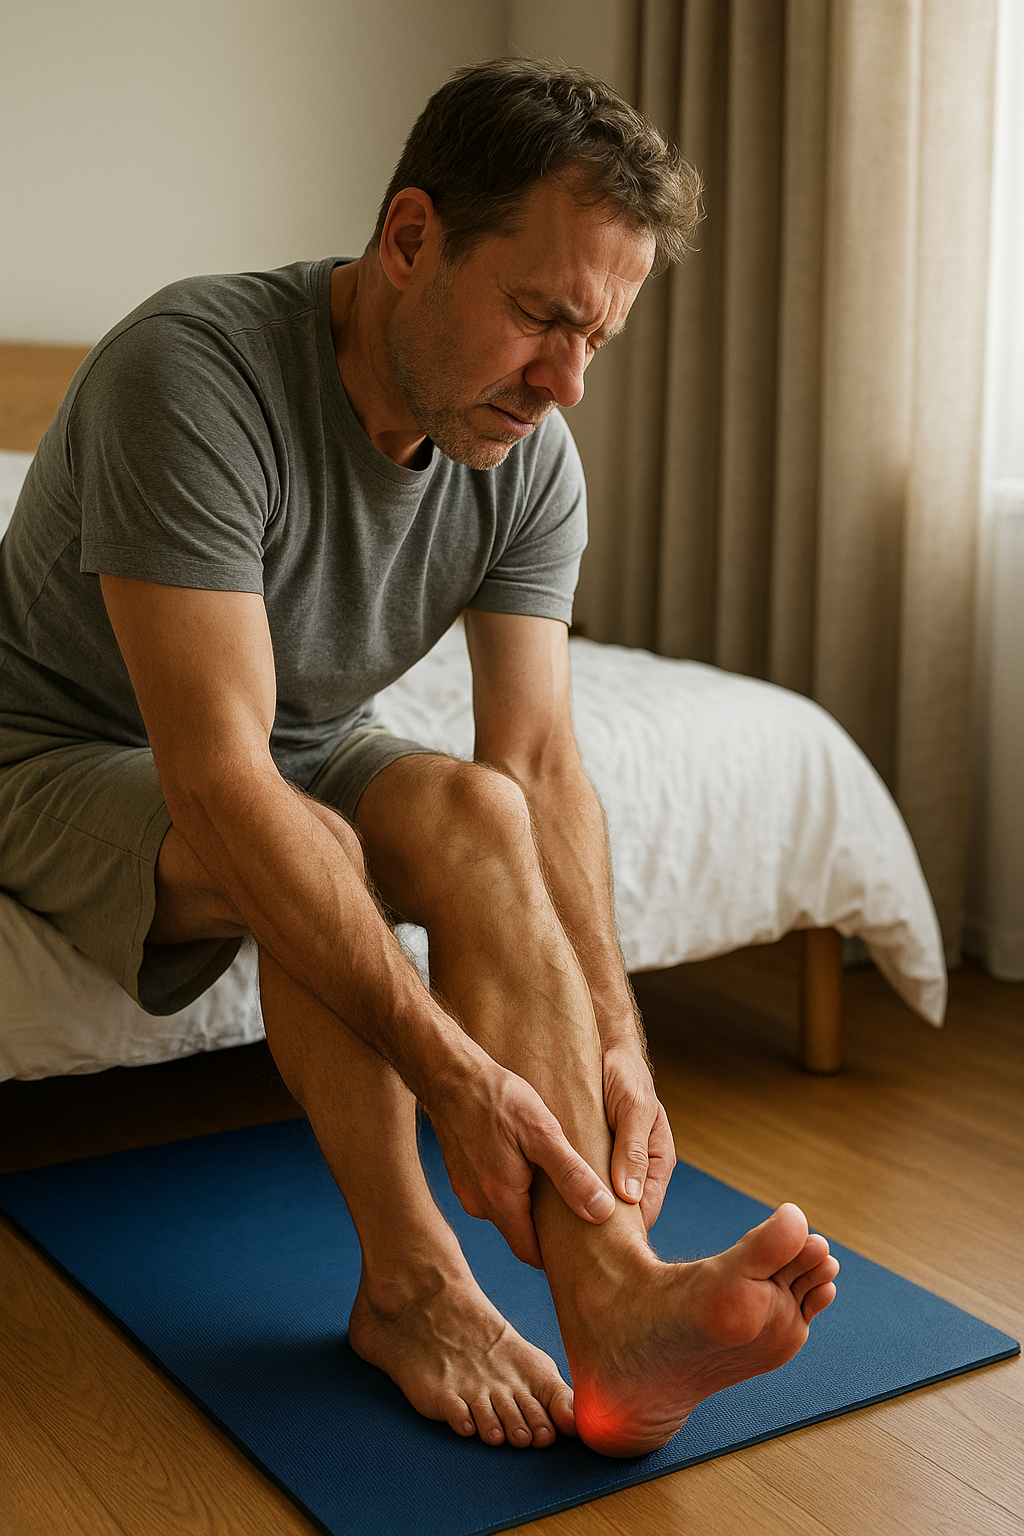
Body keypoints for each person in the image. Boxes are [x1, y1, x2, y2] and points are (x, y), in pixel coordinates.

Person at [0, 58, 838, 1457]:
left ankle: (617, 1305)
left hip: (294, 743)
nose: (565, 382)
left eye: (599, 341)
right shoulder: (191, 373)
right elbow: (218, 774)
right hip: (53, 751)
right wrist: (453, 1070)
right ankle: (411, 1281)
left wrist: (618, 1036)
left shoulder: (525, 452)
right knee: (302, 838)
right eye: (540, 317)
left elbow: (541, 764)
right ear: (408, 241)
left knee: (472, 811)